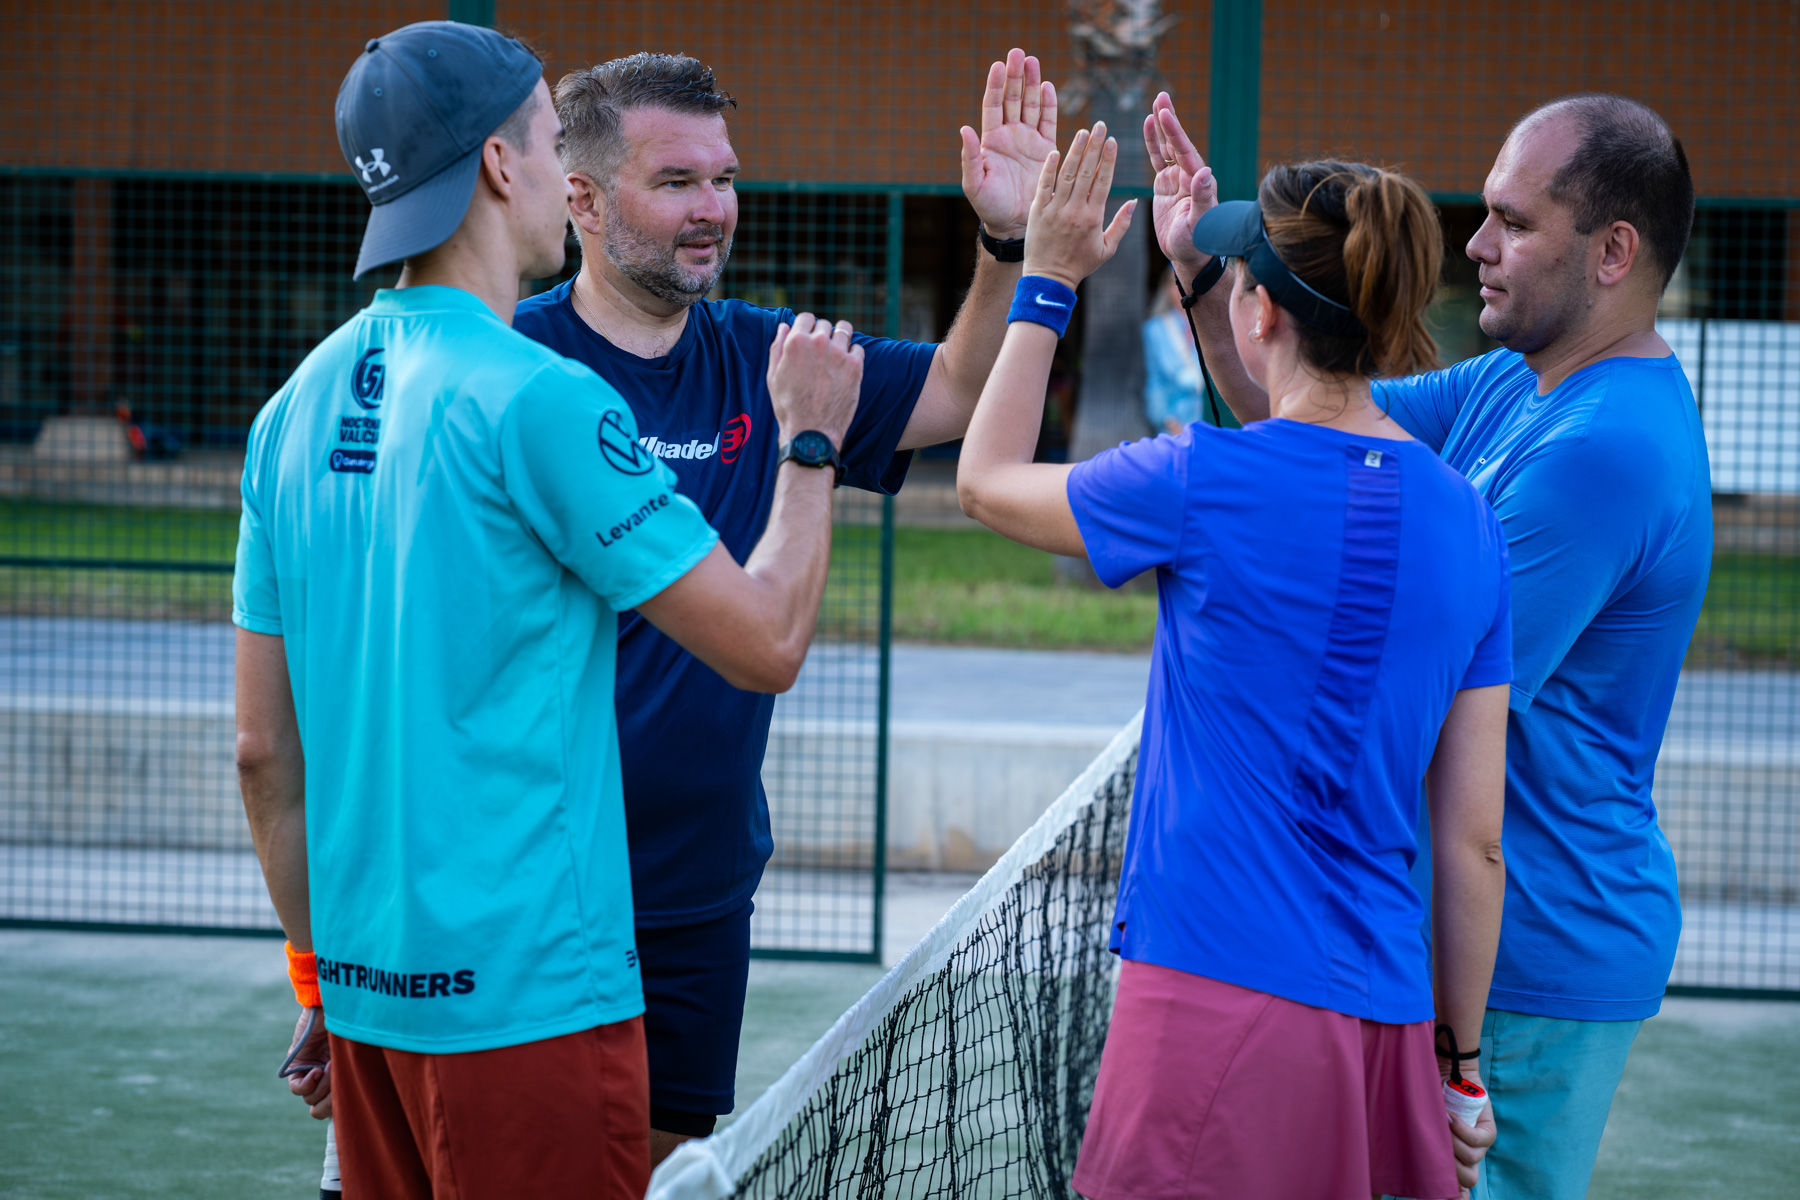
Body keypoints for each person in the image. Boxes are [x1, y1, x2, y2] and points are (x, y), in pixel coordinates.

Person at [235, 21, 864, 1197]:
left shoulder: (293, 409)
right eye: (544, 137)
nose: (562, 167)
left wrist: (318, 978)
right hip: (535, 1001)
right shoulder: (542, 398)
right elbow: (767, 640)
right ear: (498, 163)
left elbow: (263, 754)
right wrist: (812, 443)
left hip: (367, 1003)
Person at [1144, 92, 1710, 1199]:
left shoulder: (1606, 451)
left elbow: (1417, 684)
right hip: (1454, 934)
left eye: (1514, 222)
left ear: (1613, 253)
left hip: (1529, 956)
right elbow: (1302, 412)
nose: (1477, 245)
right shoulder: (1517, 377)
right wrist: (1210, 279)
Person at [511, 48, 1059, 1160]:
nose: (712, 209)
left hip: (698, 888)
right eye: (675, 182)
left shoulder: (775, 357)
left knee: (663, 1169)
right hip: (533, 883)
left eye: (723, 178)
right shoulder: (510, 363)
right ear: (582, 199)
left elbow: (957, 389)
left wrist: (1006, 243)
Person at [955, 122, 1512, 1199]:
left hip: (1209, 998)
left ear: (1262, 313)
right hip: (1385, 1017)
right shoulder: (1472, 526)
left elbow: (983, 480)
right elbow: (1474, 843)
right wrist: (1460, 1069)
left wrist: (1046, 279)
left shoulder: (1196, 480)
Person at [1142, 267, 1203, 433]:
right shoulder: (1155, 329)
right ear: (1166, 289)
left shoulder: (1209, 327)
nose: (1180, 288)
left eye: (1185, 281)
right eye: (1175, 283)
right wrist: (1167, 421)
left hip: (1208, 421)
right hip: (1173, 424)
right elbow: (1154, 380)